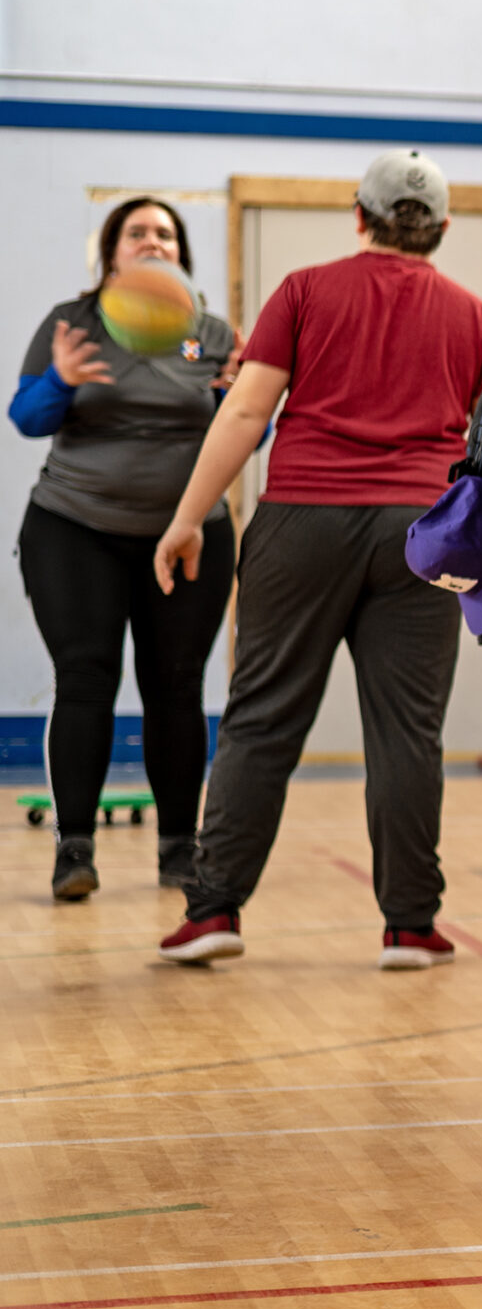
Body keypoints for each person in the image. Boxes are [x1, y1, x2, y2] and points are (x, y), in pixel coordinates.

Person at [152, 152, 482, 970]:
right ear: (442, 229)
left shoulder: (305, 290)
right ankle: (410, 925)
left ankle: (213, 910)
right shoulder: (478, 318)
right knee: (409, 734)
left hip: (301, 522)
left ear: (360, 215)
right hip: (424, 534)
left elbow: (247, 409)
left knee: (262, 715)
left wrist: (185, 519)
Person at [13, 199, 240, 901]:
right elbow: (26, 418)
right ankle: (73, 849)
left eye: (165, 233)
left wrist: (237, 400)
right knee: (85, 677)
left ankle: (179, 850)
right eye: (137, 231)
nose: (152, 241)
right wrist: (61, 382)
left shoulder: (209, 333)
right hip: (73, 527)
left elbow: (241, 435)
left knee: (176, 684)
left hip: (188, 532)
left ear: (180, 253)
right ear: (110, 252)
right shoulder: (71, 323)